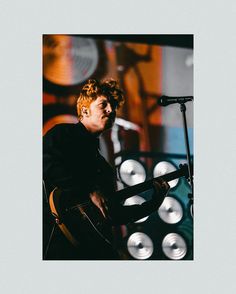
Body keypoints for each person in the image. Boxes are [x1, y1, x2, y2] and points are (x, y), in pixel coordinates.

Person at [43, 78, 170, 260]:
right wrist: (89, 190)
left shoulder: (104, 168)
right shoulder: (62, 134)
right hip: (54, 242)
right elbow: (45, 165)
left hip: (88, 248)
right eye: (104, 104)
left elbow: (114, 215)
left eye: (114, 106)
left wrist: (154, 203)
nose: (111, 110)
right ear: (85, 110)